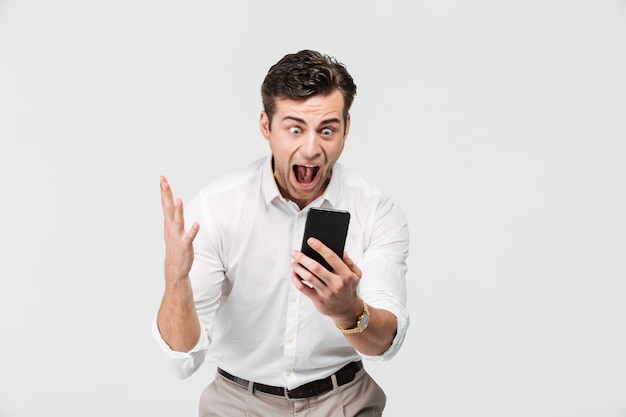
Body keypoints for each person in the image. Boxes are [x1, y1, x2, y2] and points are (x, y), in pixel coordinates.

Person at [153, 49, 410, 417]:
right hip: (238, 405)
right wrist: (175, 279)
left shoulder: (376, 210)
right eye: (294, 128)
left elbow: (386, 343)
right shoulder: (215, 208)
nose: (310, 149)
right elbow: (182, 361)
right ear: (265, 126)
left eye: (327, 130)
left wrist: (348, 311)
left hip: (343, 402)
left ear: (346, 129)